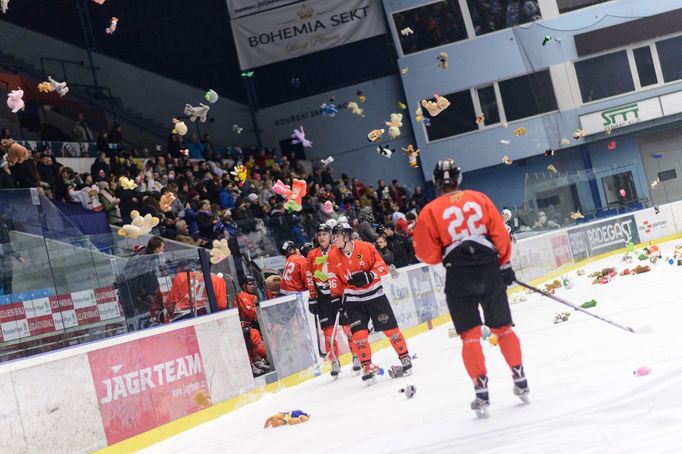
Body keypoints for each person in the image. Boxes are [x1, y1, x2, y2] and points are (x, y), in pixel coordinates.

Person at [412, 158, 528, 417]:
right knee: (504, 329)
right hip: (488, 268)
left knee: (471, 335)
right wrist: (504, 264)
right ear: (458, 178)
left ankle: (481, 388)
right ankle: (519, 376)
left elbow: (426, 254)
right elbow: (500, 233)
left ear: (436, 181)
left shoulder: (430, 210)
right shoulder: (479, 198)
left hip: (459, 274)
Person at [328, 223, 411, 384]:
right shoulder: (332, 256)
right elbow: (333, 278)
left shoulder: (365, 247)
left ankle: (405, 357)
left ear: (346, 236)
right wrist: (336, 297)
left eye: (337, 236)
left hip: (375, 296)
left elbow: (381, 265)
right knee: (359, 335)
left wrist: (369, 276)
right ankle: (367, 366)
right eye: (334, 236)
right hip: (353, 300)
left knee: (391, 330)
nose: (334, 239)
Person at [305, 224, 359, 378]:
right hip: (323, 298)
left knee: (349, 327)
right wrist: (312, 297)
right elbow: (309, 276)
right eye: (319, 234)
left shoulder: (338, 250)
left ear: (330, 236)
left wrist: (349, 289)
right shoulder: (312, 255)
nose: (322, 237)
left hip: (340, 294)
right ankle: (334, 361)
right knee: (329, 332)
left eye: (325, 234)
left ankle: (356, 356)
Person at [234, 276, 271, 376]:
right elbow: (250, 312)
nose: (253, 286)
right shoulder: (243, 295)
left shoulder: (253, 296)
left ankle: (258, 360)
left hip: (251, 324)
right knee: (254, 335)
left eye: (254, 284)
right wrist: (261, 314)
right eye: (250, 284)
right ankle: (268, 357)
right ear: (244, 286)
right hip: (243, 324)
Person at [0, 217, 25, 296]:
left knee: (8, 280)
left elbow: (8, 243)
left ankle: (8, 301)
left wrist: (18, 256)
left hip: (5, 257)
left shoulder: (3, 225)